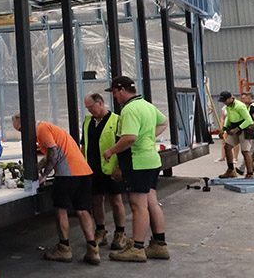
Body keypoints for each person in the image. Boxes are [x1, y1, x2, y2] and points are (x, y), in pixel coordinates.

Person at [11, 113, 100, 265]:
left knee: (61, 209)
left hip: (67, 174)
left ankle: (64, 248)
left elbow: (53, 151)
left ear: (25, 124)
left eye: (20, 130)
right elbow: (52, 152)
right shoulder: (48, 128)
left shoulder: (41, 129)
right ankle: (93, 249)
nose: (21, 134)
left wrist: (44, 175)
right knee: (83, 210)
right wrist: (37, 167)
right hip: (83, 172)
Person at [102, 76, 169, 263]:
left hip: (137, 162)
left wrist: (111, 151)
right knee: (152, 202)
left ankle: (137, 248)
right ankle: (159, 244)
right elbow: (163, 122)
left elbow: (130, 138)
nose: (114, 97)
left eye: (115, 93)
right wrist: (147, 137)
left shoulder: (129, 109)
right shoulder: (146, 105)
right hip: (152, 160)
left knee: (138, 205)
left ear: (122, 90)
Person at [82, 93, 128, 252]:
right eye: (87, 108)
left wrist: (120, 168)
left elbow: (123, 146)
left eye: (91, 107)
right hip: (92, 169)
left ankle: (120, 233)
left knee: (116, 200)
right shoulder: (88, 122)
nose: (90, 111)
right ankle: (100, 231)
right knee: (96, 200)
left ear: (100, 103)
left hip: (111, 169)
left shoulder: (116, 121)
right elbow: (84, 145)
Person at [217, 91, 254, 179]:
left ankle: (250, 173)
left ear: (230, 98)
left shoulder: (240, 106)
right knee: (227, 147)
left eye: (225, 100)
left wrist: (238, 128)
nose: (224, 102)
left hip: (245, 128)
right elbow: (229, 118)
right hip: (234, 127)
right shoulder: (228, 106)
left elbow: (249, 120)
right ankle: (231, 170)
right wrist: (224, 129)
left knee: (245, 151)